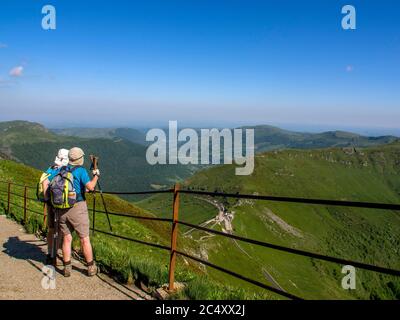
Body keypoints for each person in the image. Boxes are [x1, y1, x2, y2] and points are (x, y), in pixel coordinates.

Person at [58, 147, 99, 277]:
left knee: (67, 238)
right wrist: (96, 175)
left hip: (62, 208)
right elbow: (91, 187)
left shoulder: (62, 169)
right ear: (80, 159)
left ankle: (67, 267)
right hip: (77, 207)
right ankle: (91, 267)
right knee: (84, 239)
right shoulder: (80, 171)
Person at [42, 148, 69, 265]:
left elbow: (44, 182)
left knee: (52, 229)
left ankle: (50, 254)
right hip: (62, 204)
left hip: (51, 203)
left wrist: (47, 199)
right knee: (62, 229)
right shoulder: (66, 169)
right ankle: (58, 254)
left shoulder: (52, 168)